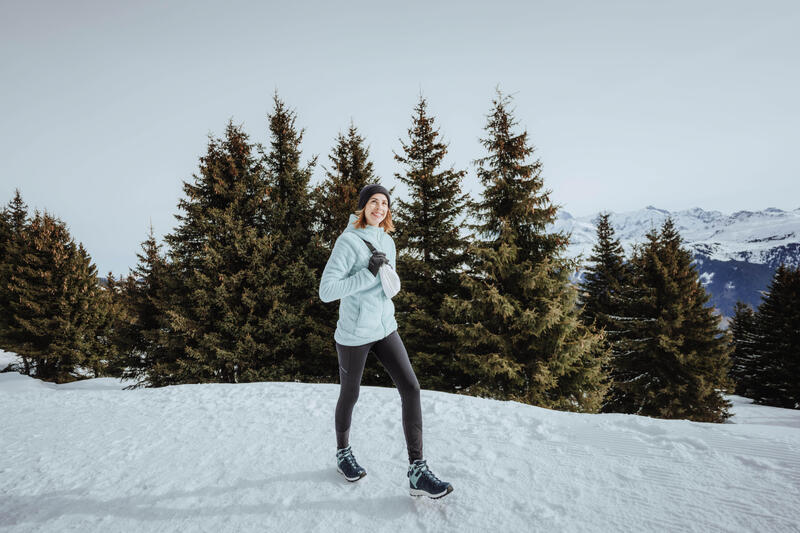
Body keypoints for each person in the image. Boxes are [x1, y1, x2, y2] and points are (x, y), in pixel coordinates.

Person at [318, 183, 454, 499]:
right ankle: (343, 453)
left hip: (384, 328)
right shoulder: (348, 242)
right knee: (350, 394)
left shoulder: (388, 242)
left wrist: (386, 278)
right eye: (374, 202)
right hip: (354, 334)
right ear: (363, 206)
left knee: (411, 388)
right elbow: (327, 291)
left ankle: (417, 471)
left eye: (384, 203)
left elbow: (388, 285)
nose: (379, 208)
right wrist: (367, 273)